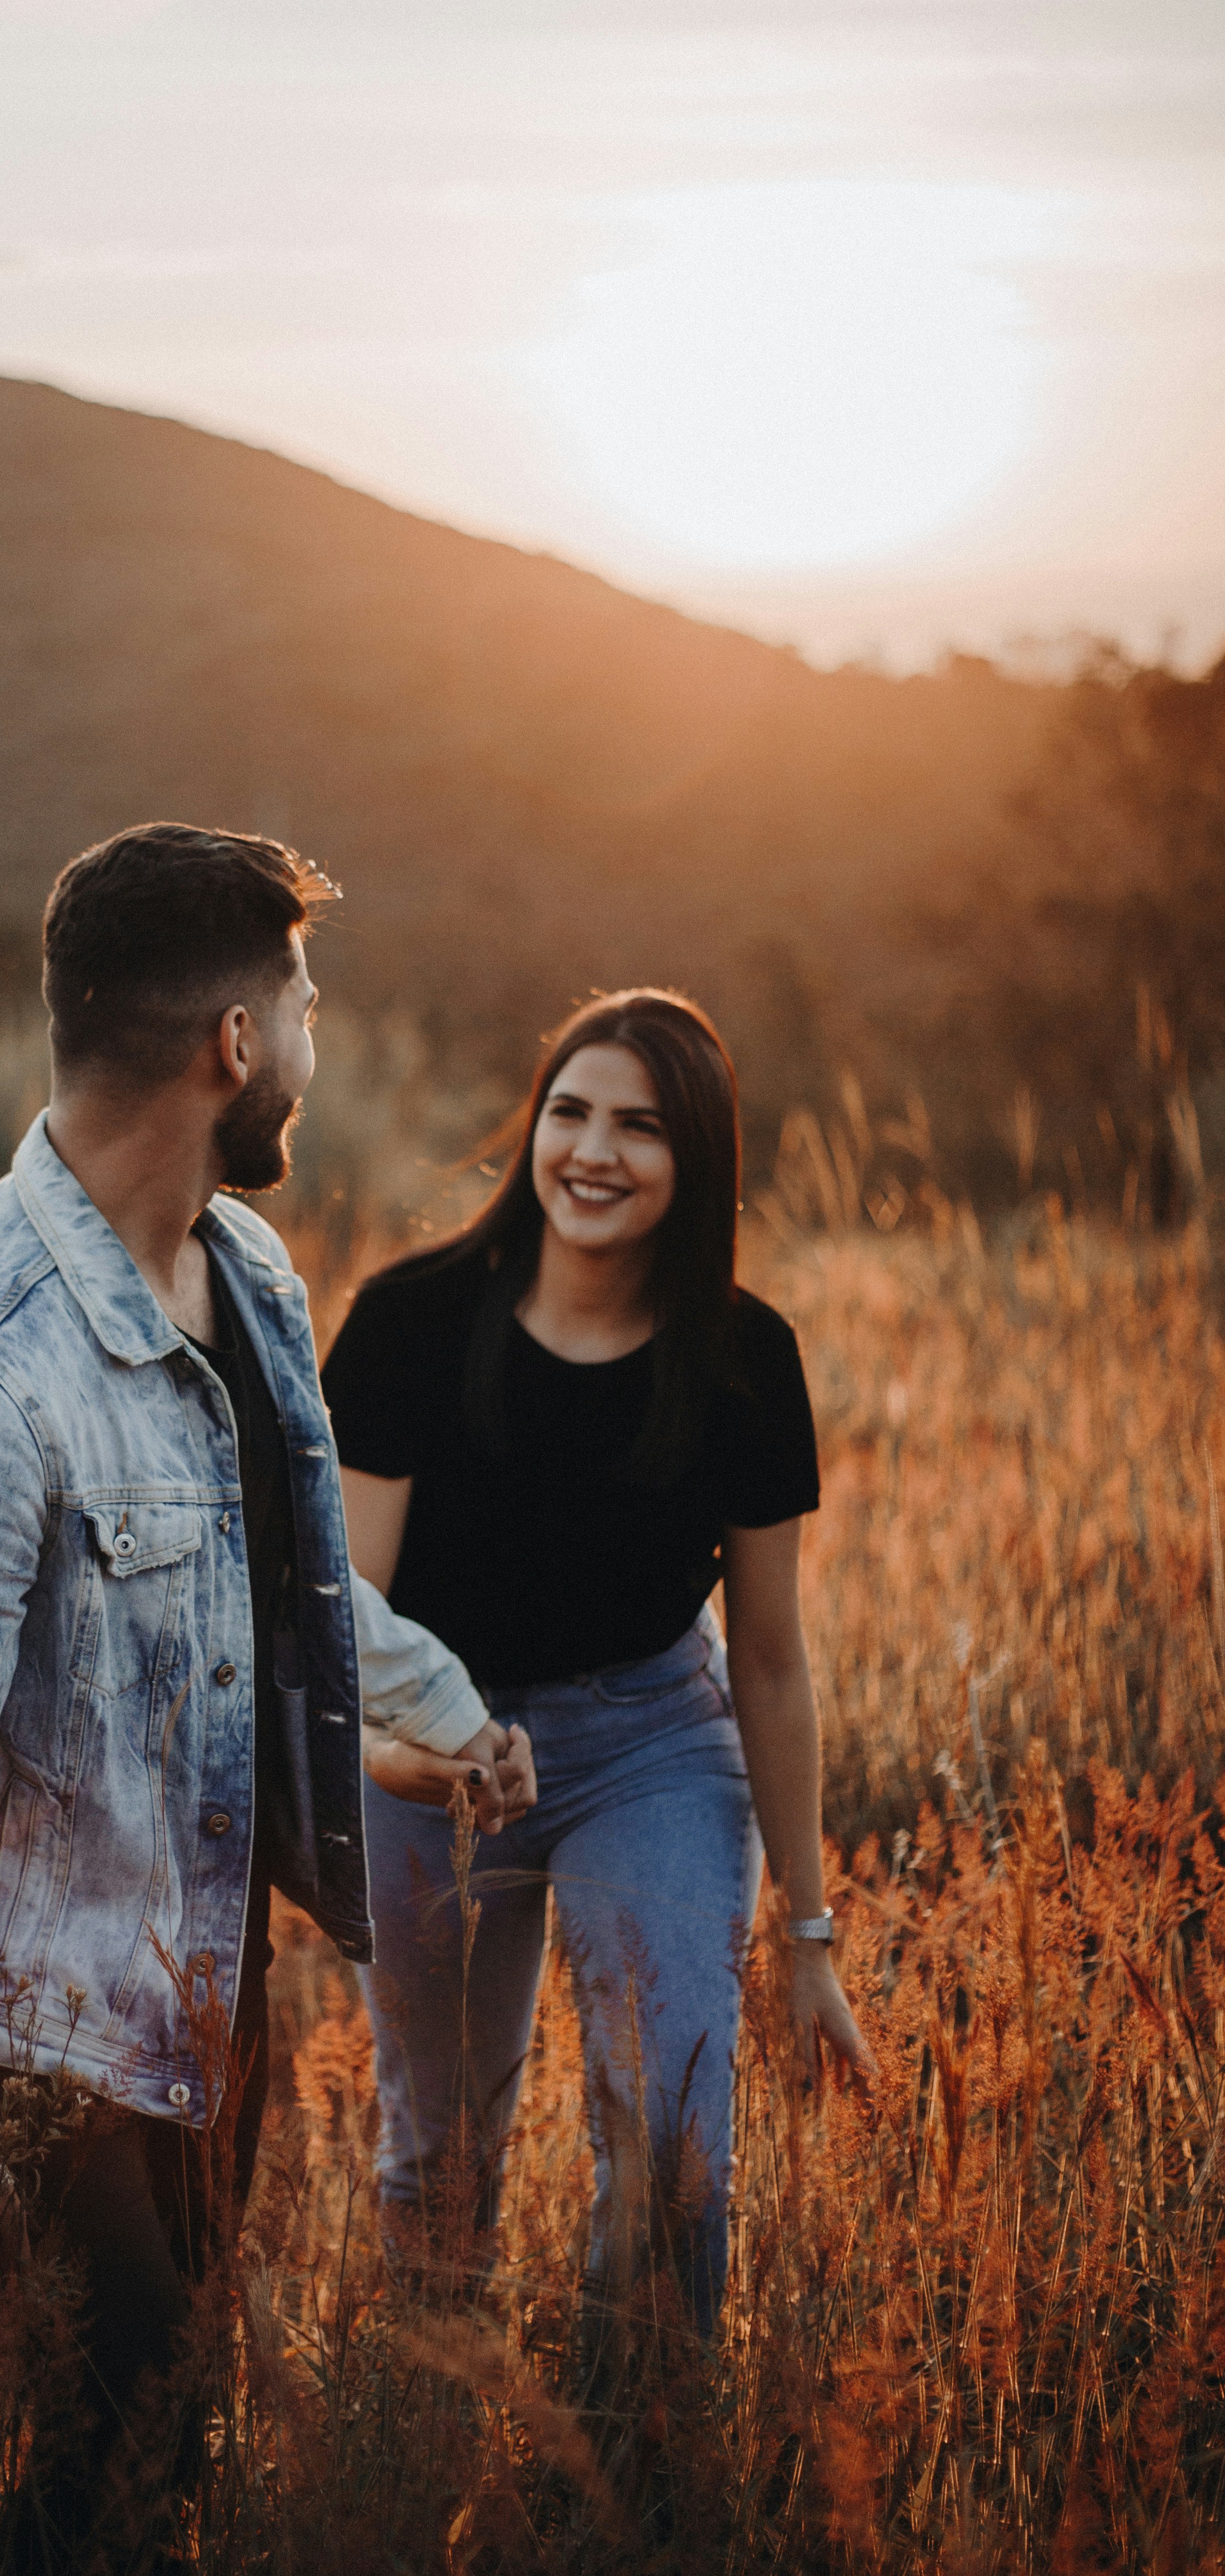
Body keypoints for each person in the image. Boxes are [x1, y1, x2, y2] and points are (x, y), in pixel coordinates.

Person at [0, 823, 530, 2576]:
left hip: (208, 1980)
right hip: (44, 2044)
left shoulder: (250, 1276)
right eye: (302, 1000)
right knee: (92, 2483)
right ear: (233, 1037)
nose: (314, 1038)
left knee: (172, 2449)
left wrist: (441, 1700)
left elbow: (269, 1578)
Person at [321, 988, 871, 2340]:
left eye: (640, 1125)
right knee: (438, 2167)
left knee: (675, 2144)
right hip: (428, 1752)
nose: (593, 1151)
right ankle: (443, 2460)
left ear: (698, 1161)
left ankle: (640, 2481)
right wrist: (416, 1762)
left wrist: (807, 1939)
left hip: (650, 1745)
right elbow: (341, 1631)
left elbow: (777, 1663)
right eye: (569, 1112)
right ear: (533, 1132)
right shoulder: (411, 1323)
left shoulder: (745, 1360)